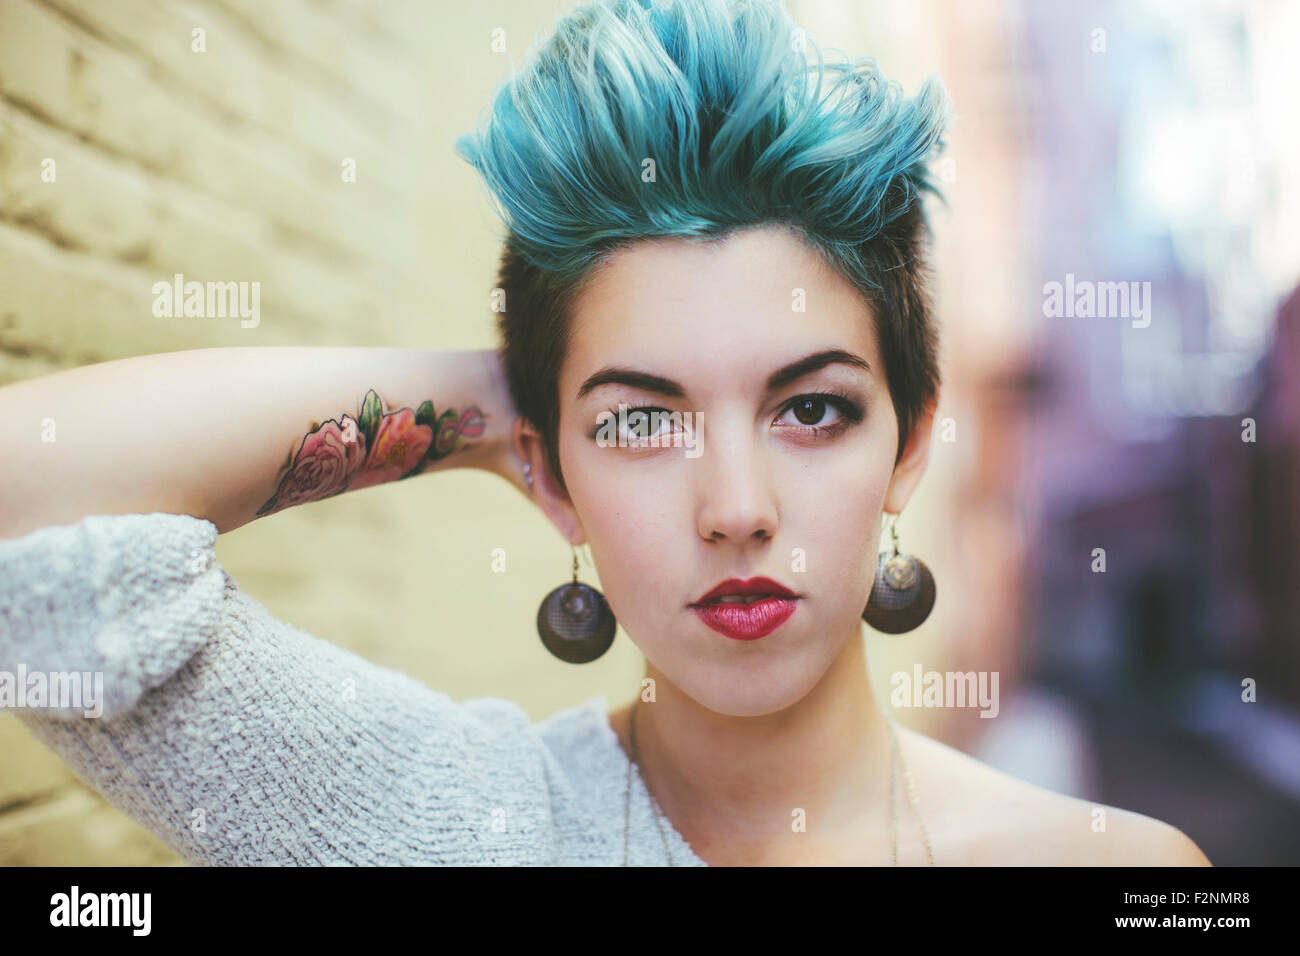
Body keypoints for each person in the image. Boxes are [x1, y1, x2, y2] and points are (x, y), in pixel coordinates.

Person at [0, 0, 1209, 866]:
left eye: (810, 407)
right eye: (640, 417)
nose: (735, 503)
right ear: (547, 468)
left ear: (907, 447)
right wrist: (496, 401)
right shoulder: (446, 820)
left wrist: (584, 400)